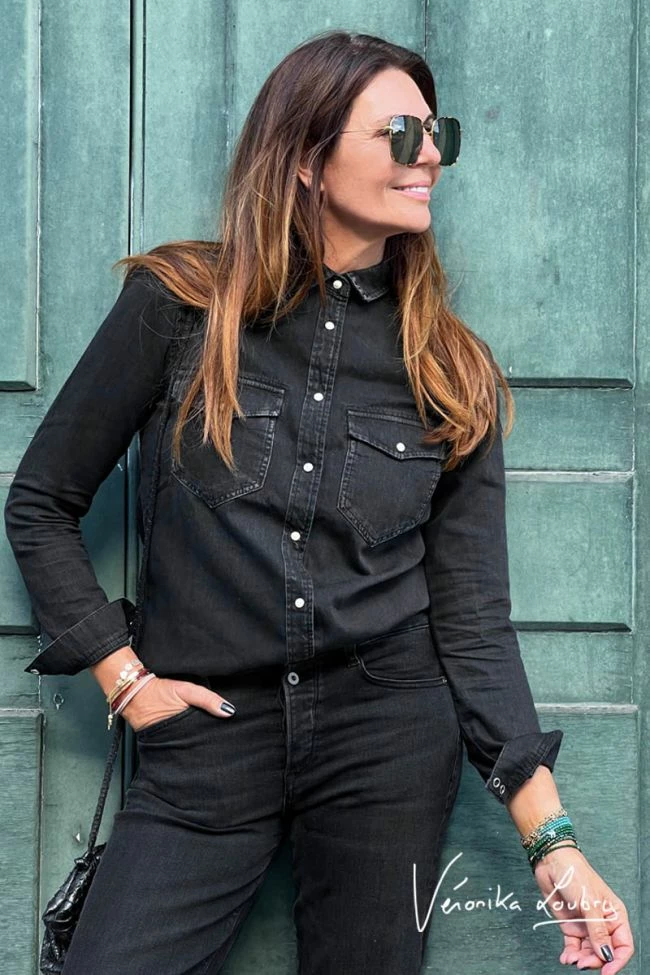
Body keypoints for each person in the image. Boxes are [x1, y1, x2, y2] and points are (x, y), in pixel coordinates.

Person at [4, 28, 634, 975]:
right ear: (305, 158)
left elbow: (472, 620)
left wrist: (555, 845)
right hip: (207, 737)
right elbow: (40, 500)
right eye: (400, 134)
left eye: (438, 134)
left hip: (388, 742)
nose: (430, 156)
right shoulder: (179, 306)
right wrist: (125, 680)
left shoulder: (449, 369)